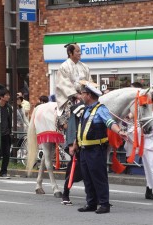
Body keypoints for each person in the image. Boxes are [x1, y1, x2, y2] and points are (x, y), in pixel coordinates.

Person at [72, 81, 127, 214]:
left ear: (89, 95)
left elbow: (110, 122)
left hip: (96, 150)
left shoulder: (101, 109)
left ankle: (104, 204)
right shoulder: (86, 110)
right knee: (87, 177)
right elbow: (82, 128)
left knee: (99, 177)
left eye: (83, 94)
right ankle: (91, 203)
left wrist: (119, 131)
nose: (81, 96)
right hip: (84, 149)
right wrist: (75, 143)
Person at [55, 43, 92, 130]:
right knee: (69, 112)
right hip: (69, 97)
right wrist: (77, 95)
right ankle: (68, 133)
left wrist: (90, 92)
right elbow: (64, 84)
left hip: (84, 95)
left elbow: (89, 81)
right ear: (70, 53)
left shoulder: (85, 66)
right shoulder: (63, 67)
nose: (80, 53)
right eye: (77, 51)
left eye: (80, 51)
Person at [61, 101, 84, 206]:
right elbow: (72, 126)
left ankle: (95, 198)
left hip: (91, 146)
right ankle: (65, 194)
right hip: (78, 145)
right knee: (74, 172)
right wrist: (71, 144)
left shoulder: (98, 108)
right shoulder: (78, 108)